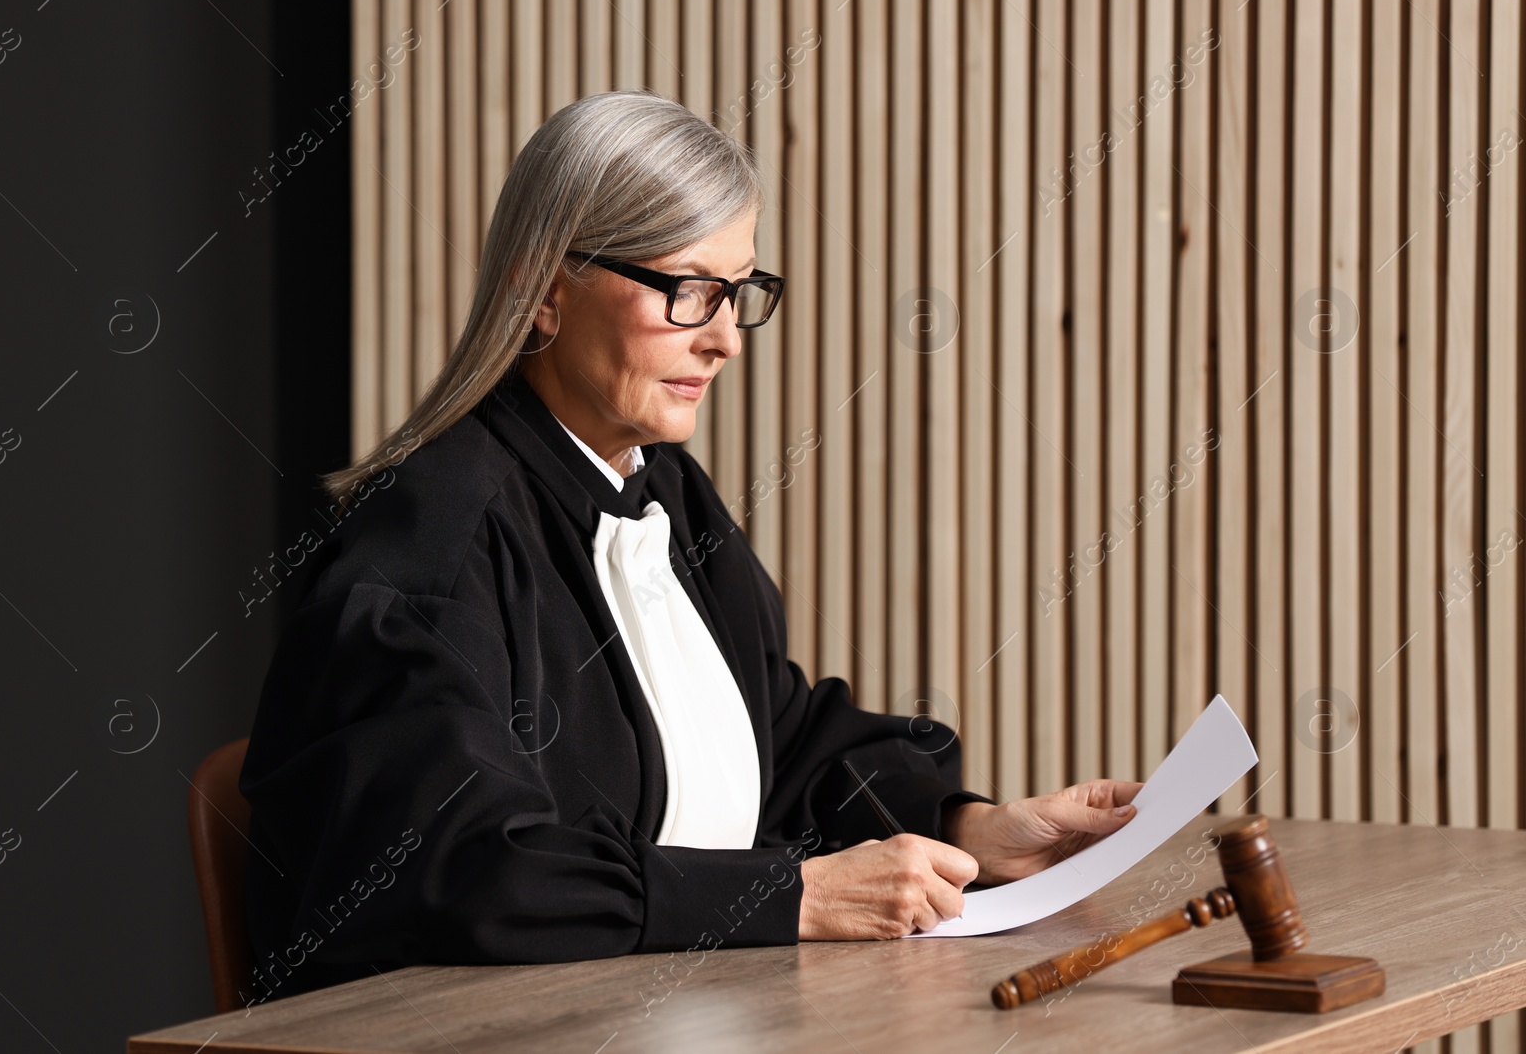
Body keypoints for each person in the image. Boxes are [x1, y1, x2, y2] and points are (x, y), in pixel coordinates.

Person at [238, 89, 1142, 1007]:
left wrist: (968, 827)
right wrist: (791, 892)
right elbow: (469, 868)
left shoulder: (665, 485)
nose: (723, 341)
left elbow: (775, 738)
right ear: (542, 287)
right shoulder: (432, 536)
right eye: (685, 290)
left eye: (738, 292)